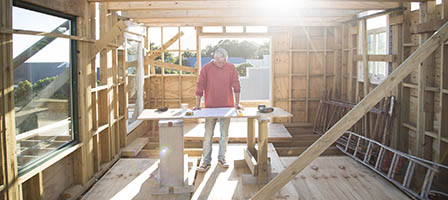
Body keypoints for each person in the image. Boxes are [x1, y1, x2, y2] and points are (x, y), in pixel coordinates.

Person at [194, 48, 242, 171]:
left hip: (226, 107)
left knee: (224, 134)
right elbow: (200, 86)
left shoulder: (231, 67)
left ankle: (222, 158)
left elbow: (236, 86)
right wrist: (198, 105)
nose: (222, 64)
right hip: (210, 107)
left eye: (224, 61)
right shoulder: (206, 68)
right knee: (208, 135)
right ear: (214, 59)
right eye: (219, 62)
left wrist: (237, 103)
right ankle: (206, 161)